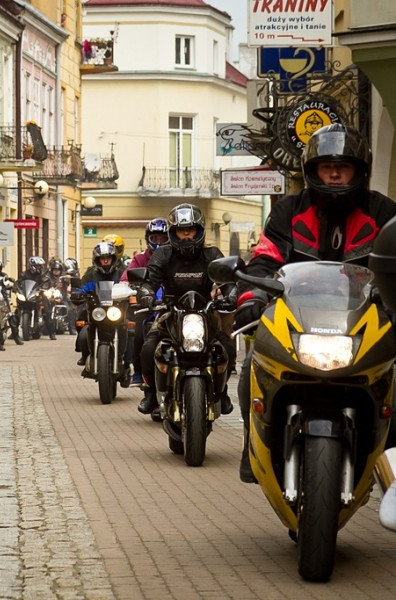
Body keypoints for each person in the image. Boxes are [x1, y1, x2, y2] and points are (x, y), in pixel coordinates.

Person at [234, 123, 396, 483]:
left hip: (365, 321)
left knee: (393, 380)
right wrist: (252, 295)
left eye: (344, 166)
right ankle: (252, 444)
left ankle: (391, 463)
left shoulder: (384, 213)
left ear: (360, 170)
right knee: (252, 370)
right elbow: (265, 257)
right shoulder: (289, 211)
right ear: (312, 171)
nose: (335, 174)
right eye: (326, 167)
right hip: (298, 318)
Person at [136, 203, 236, 417]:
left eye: (190, 230)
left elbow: (227, 279)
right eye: (181, 231)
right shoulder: (163, 254)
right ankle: (151, 393)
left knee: (227, 346)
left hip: (206, 312)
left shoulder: (211, 254)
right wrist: (146, 294)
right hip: (170, 311)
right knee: (148, 347)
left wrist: (232, 294)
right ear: (174, 233)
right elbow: (149, 280)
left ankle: (222, 391)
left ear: (199, 231)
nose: (186, 236)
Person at [121, 218, 170, 384]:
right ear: (148, 237)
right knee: (139, 333)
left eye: (162, 238)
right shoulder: (141, 258)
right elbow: (126, 277)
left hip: (173, 302)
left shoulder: (174, 255)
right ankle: (139, 371)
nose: (158, 242)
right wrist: (125, 287)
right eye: (155, 238)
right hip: (148, 303)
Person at [75, 242, 124, 369]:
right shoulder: (91, 274)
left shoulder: (121, 274)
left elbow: (128, 285)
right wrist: (78, 294)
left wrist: (135, 291)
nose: (106, 261)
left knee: (129, 329)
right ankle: (86, 355)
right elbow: (82, 288)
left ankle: (128, 360)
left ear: (114, 259)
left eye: (108, 258)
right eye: (103, 258)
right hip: (97, 309)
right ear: (97, 260)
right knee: (82, 326)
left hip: (116, 309)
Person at [17, 255, 55, 339]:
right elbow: (18, 283)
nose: (40, 267)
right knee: (17, 310)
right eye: (38, 265)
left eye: (40, 266)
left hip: (39, 294)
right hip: (27, 294)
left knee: (46, 311)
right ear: (32, 265)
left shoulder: (42, 274)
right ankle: (14, 332)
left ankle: (51, 333)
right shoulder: (24, 274)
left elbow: (48, 282)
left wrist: (46, 287)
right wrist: (16, 289)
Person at [0, 258, 24, 345]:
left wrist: (12, 286)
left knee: (11, 316)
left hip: (3, 298)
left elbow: (8, 283)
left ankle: (16, 336)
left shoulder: (4, 276)